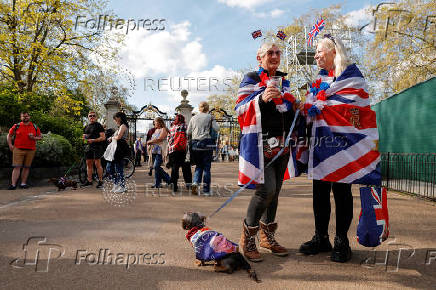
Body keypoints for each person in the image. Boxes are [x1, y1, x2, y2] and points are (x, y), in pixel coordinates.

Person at [298, 35, 379, 263]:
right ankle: (321, 237)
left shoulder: (353, 77)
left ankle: (341, 240)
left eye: (319, 51)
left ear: (333, 51)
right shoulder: (318, 80)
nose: (315, 56)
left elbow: (358, 112)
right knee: (319, 192)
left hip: (343, 148)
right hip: (320, 145)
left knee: (341, 192)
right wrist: (307, 107)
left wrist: (326, 106)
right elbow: (312, 108)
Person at [235, 42, 301, 262]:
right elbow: (240, 109)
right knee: (266, 191)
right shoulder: (251, 78)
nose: (274, 56)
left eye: (277, 52)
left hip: (283, 145)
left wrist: (296, 106)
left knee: (275, 192)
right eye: (269, 53)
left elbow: (288, 114)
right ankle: (248, 238)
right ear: (259, 57)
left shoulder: (285, 82)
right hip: (260, 145)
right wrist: (261, 99)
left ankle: (267, 238)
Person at [187, 101, 219, 195]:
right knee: (206, 167)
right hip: (207, 143)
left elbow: (188, 132)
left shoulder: (193, 117)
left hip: (195, 144)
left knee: (199, 165)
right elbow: (217, 129)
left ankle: (195, 183)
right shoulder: (210, 117)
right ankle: (206, 191)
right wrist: (213, 121)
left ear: (199, 108)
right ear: (207, 108)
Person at [7, 112, 42, 190]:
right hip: (18, 149)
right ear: (21, 117)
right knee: (17, 167)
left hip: (31, 150)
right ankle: (13, 185)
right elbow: (9, 135)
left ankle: (23, 184)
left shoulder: (35, 126)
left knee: (27, 167)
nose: (25, 117)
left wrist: (34, 138)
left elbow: (40, 137)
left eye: (27, 116)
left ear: (29, 117)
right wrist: (10, 145)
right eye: (24, 116)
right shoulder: (17, 126)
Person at [167, 114, 192, 192]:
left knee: (175, 168)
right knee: (186, 168)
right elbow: (189, 136)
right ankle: (188, 185)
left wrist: (172, 144)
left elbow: (168, 138)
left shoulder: (171, 127)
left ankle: (174, 186)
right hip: (182, 149)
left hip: (173, 150)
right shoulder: (185, 126)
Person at [106, 112, 130, 193]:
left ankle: (122, 186)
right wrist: (113, 138)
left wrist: (111, 138)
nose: (114, 120)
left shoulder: (123, 126)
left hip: (119, 149)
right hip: (115, 148)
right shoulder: (120, 126)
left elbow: (119, 137)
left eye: (115, 118)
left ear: (119, 118)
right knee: (109, 167)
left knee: (118, 168)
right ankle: (116, 184)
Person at [82, 111, 106, 188]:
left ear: (96, 117)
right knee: (88, 164)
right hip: (88, 148)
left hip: (97, 147)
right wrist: (84, 139)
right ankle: (89, 181)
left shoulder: (99, 126)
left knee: (97, 164)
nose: (92, 117)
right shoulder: (86, 127)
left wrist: (93, 140)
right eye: (90, 116)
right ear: (88, 117)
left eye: (93, 116)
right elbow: (84, 137)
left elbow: (103, 137)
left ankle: (100, 181)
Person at [147, 117, 170, 188]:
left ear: (160, 122)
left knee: (156, 166)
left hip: (160, 151)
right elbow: (154, 139)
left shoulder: (164, 129)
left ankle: (168, 179)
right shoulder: (156, 130)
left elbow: (160, 139)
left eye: (155, 122)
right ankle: (158, 183)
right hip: (154, 150)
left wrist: (150, 141)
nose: (154, 123)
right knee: (156, 167)